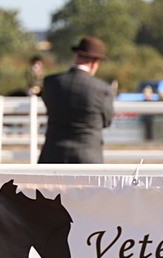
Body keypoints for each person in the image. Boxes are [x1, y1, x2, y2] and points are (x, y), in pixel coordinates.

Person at [38, 36, 115, 164]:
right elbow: (106, 121)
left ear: (76, 57)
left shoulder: (51, 82)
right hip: (87, 156)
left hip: (52, 154)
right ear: (94, 63)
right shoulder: (102, 89)